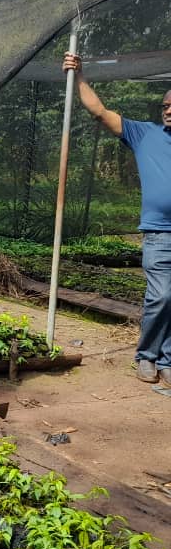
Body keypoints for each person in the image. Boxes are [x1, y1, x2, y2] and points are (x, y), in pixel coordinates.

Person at [63, 52, 171, 387]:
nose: (168, 110)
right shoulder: (144, 134)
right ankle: (146, 356)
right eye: (166, 106)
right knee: (162, 296)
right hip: (159, 234)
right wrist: (79, 76)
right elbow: (99, 111)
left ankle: (167, 360)